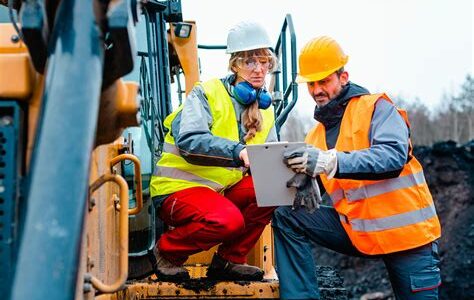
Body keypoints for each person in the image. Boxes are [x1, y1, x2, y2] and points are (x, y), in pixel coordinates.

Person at [272, 36, 442, 299]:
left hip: (408, 238)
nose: (317, 89)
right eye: (312, 83)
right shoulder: (314, 137)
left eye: (324, 80)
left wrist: (331, 162)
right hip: (359, 232)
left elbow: (392, 157)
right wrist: (302, 183)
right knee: (286, 215)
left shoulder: (377, 108)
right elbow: (319, 184)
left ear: (343, 77)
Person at [149, 21, 278, 282]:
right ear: (235, 65)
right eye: (250, 62)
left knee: (271, 186)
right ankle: (167, 252)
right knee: (227, 220)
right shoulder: (206, 94)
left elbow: (270, 160)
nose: (258, 69)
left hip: (218, 193)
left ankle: (229, 261)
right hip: (177, 189)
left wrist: (296, 173)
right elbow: (189, 140)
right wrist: (237, 151)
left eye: (264, 62)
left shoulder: (266, 110)